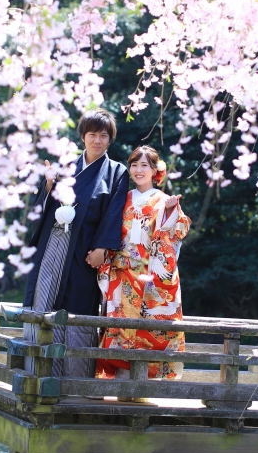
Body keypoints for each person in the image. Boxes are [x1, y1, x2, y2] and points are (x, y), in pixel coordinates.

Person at [23, 108, 129, 377]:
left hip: (84, 249)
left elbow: (114, 212)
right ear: (83, 137)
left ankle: (75, 379)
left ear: (110, 139)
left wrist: (102, 247)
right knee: (44, 299)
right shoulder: (65, 166)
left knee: (79, 305)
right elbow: (40, 208)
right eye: (92, 134)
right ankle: (38, 373)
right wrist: (48, 185)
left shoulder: (116, 172)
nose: (97, 140)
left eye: (103, 135)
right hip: (53, 244)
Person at [96, 145, 191, 381]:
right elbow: (109, 227)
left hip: (150, 275)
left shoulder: (164, 200)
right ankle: (119, 381)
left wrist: (170, 213)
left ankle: (142, 385)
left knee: (148, 326)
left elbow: (177, 232)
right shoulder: (123, 197)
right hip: (122, 272)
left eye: (144, 165)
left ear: (155, 170)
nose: (138, 170)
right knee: (119, 325)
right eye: (134, 165)